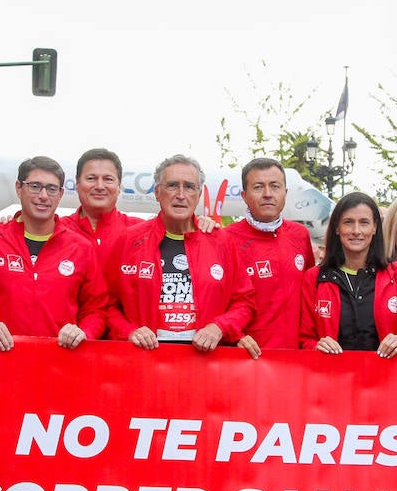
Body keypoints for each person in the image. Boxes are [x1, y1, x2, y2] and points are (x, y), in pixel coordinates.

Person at [0, 156, 110, 352]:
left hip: (59, 365)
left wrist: (83, 332)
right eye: (35, 186)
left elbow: (96, 310)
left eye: (51, 189)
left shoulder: (81, 247)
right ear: (19, 188)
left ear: (61, 194)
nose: (43, 196)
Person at [108, 154, 254, 352]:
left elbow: (244, 303)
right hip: (145, 361)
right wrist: (129, 332)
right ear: (157, 192)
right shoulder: (129, 240)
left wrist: (219, 327)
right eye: (172, 185)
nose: (181, 194)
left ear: (199, 194)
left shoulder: (222, 241)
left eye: (189, 187)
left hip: (204, 364)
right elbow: (106, 306)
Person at [300, 192, 397, 358]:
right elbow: (305, 338)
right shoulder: (314, 277)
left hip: (386, 379)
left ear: (375, 227)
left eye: (364, 223)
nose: (356, 231)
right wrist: (316, 346)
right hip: (332, 378)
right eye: (348, 222)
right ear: (337, 228)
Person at [224, 157, 316, 355]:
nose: (267, 194)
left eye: (275, 186)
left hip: (295, 358)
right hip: (246, 357)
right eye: (258, 187)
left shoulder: (300, 235)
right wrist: (235, 336)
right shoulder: (225, 238)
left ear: (285, 192)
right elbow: (216, 302)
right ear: (244, 195)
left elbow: (310, 297)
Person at [62, 148, 141, 253]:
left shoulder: (140, 231)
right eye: (91, 178)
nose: (99, 186)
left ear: (119, 186)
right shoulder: (57, 229)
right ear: (77, 184)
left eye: (108, 179)